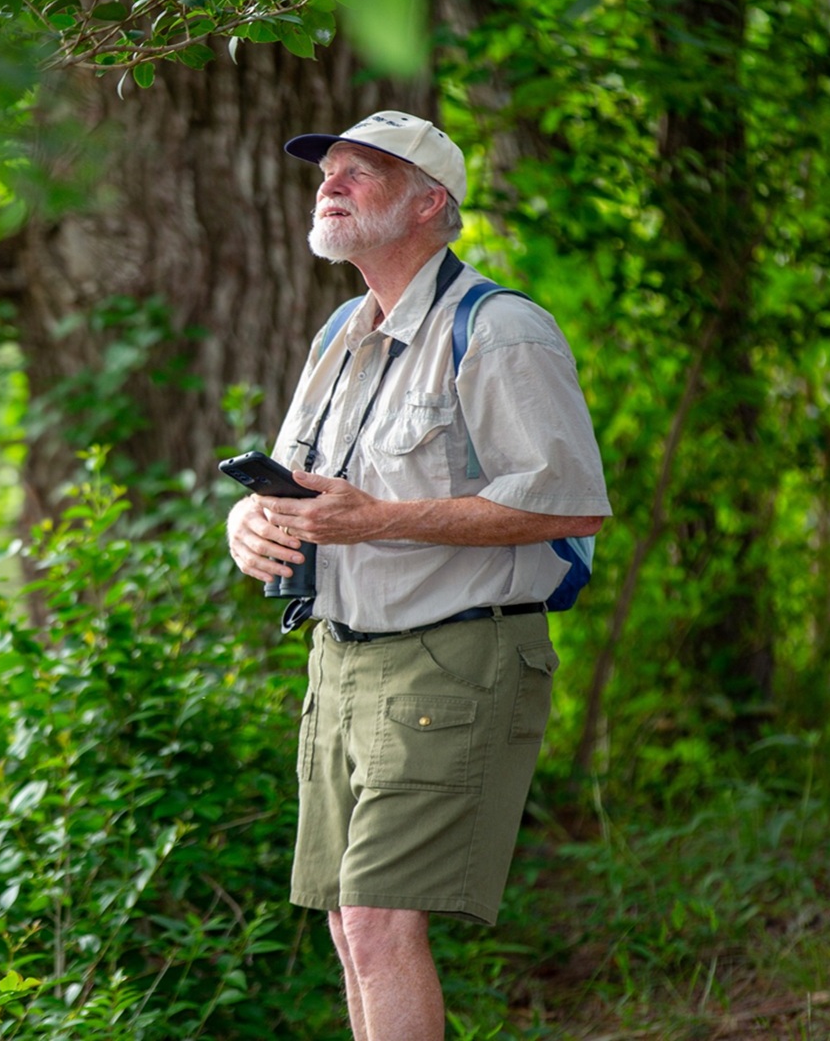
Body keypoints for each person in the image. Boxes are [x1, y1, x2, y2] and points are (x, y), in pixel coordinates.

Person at [224, 111, 611, 1041]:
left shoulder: (501, 330)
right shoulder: (338, 333)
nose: (331, 184)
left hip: (456, 661)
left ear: (430, 203)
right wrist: (247, 523)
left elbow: (569, 508)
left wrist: (379, 520)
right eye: (328, 171)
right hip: (339, 660)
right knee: (348, 926)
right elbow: (296, 486)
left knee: (377, 921)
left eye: (360, 171)